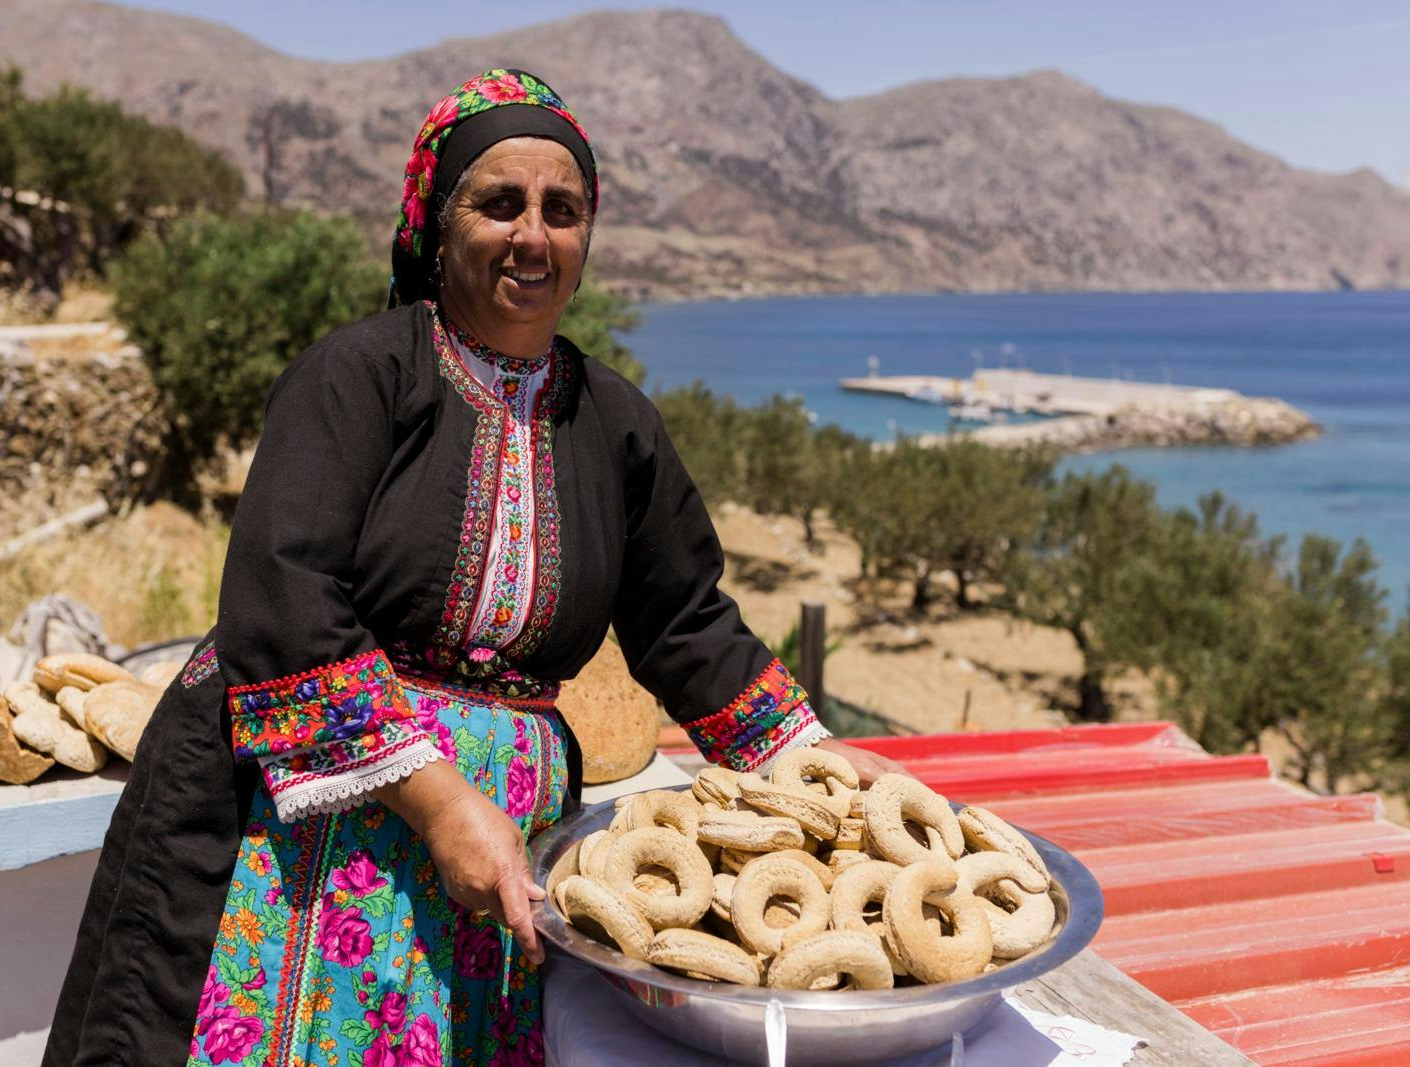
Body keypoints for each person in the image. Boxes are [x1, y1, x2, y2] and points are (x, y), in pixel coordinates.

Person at [44, 69, 899, 1066]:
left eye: (562, 210)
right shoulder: (357, 375)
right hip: (317, 815)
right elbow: (284, 592)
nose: (533, 236)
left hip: (508, 840)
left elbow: (685, 622)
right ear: (437, 229)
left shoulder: (616, 423)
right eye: (500, 204)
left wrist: (808, 759)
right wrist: (440, 798)